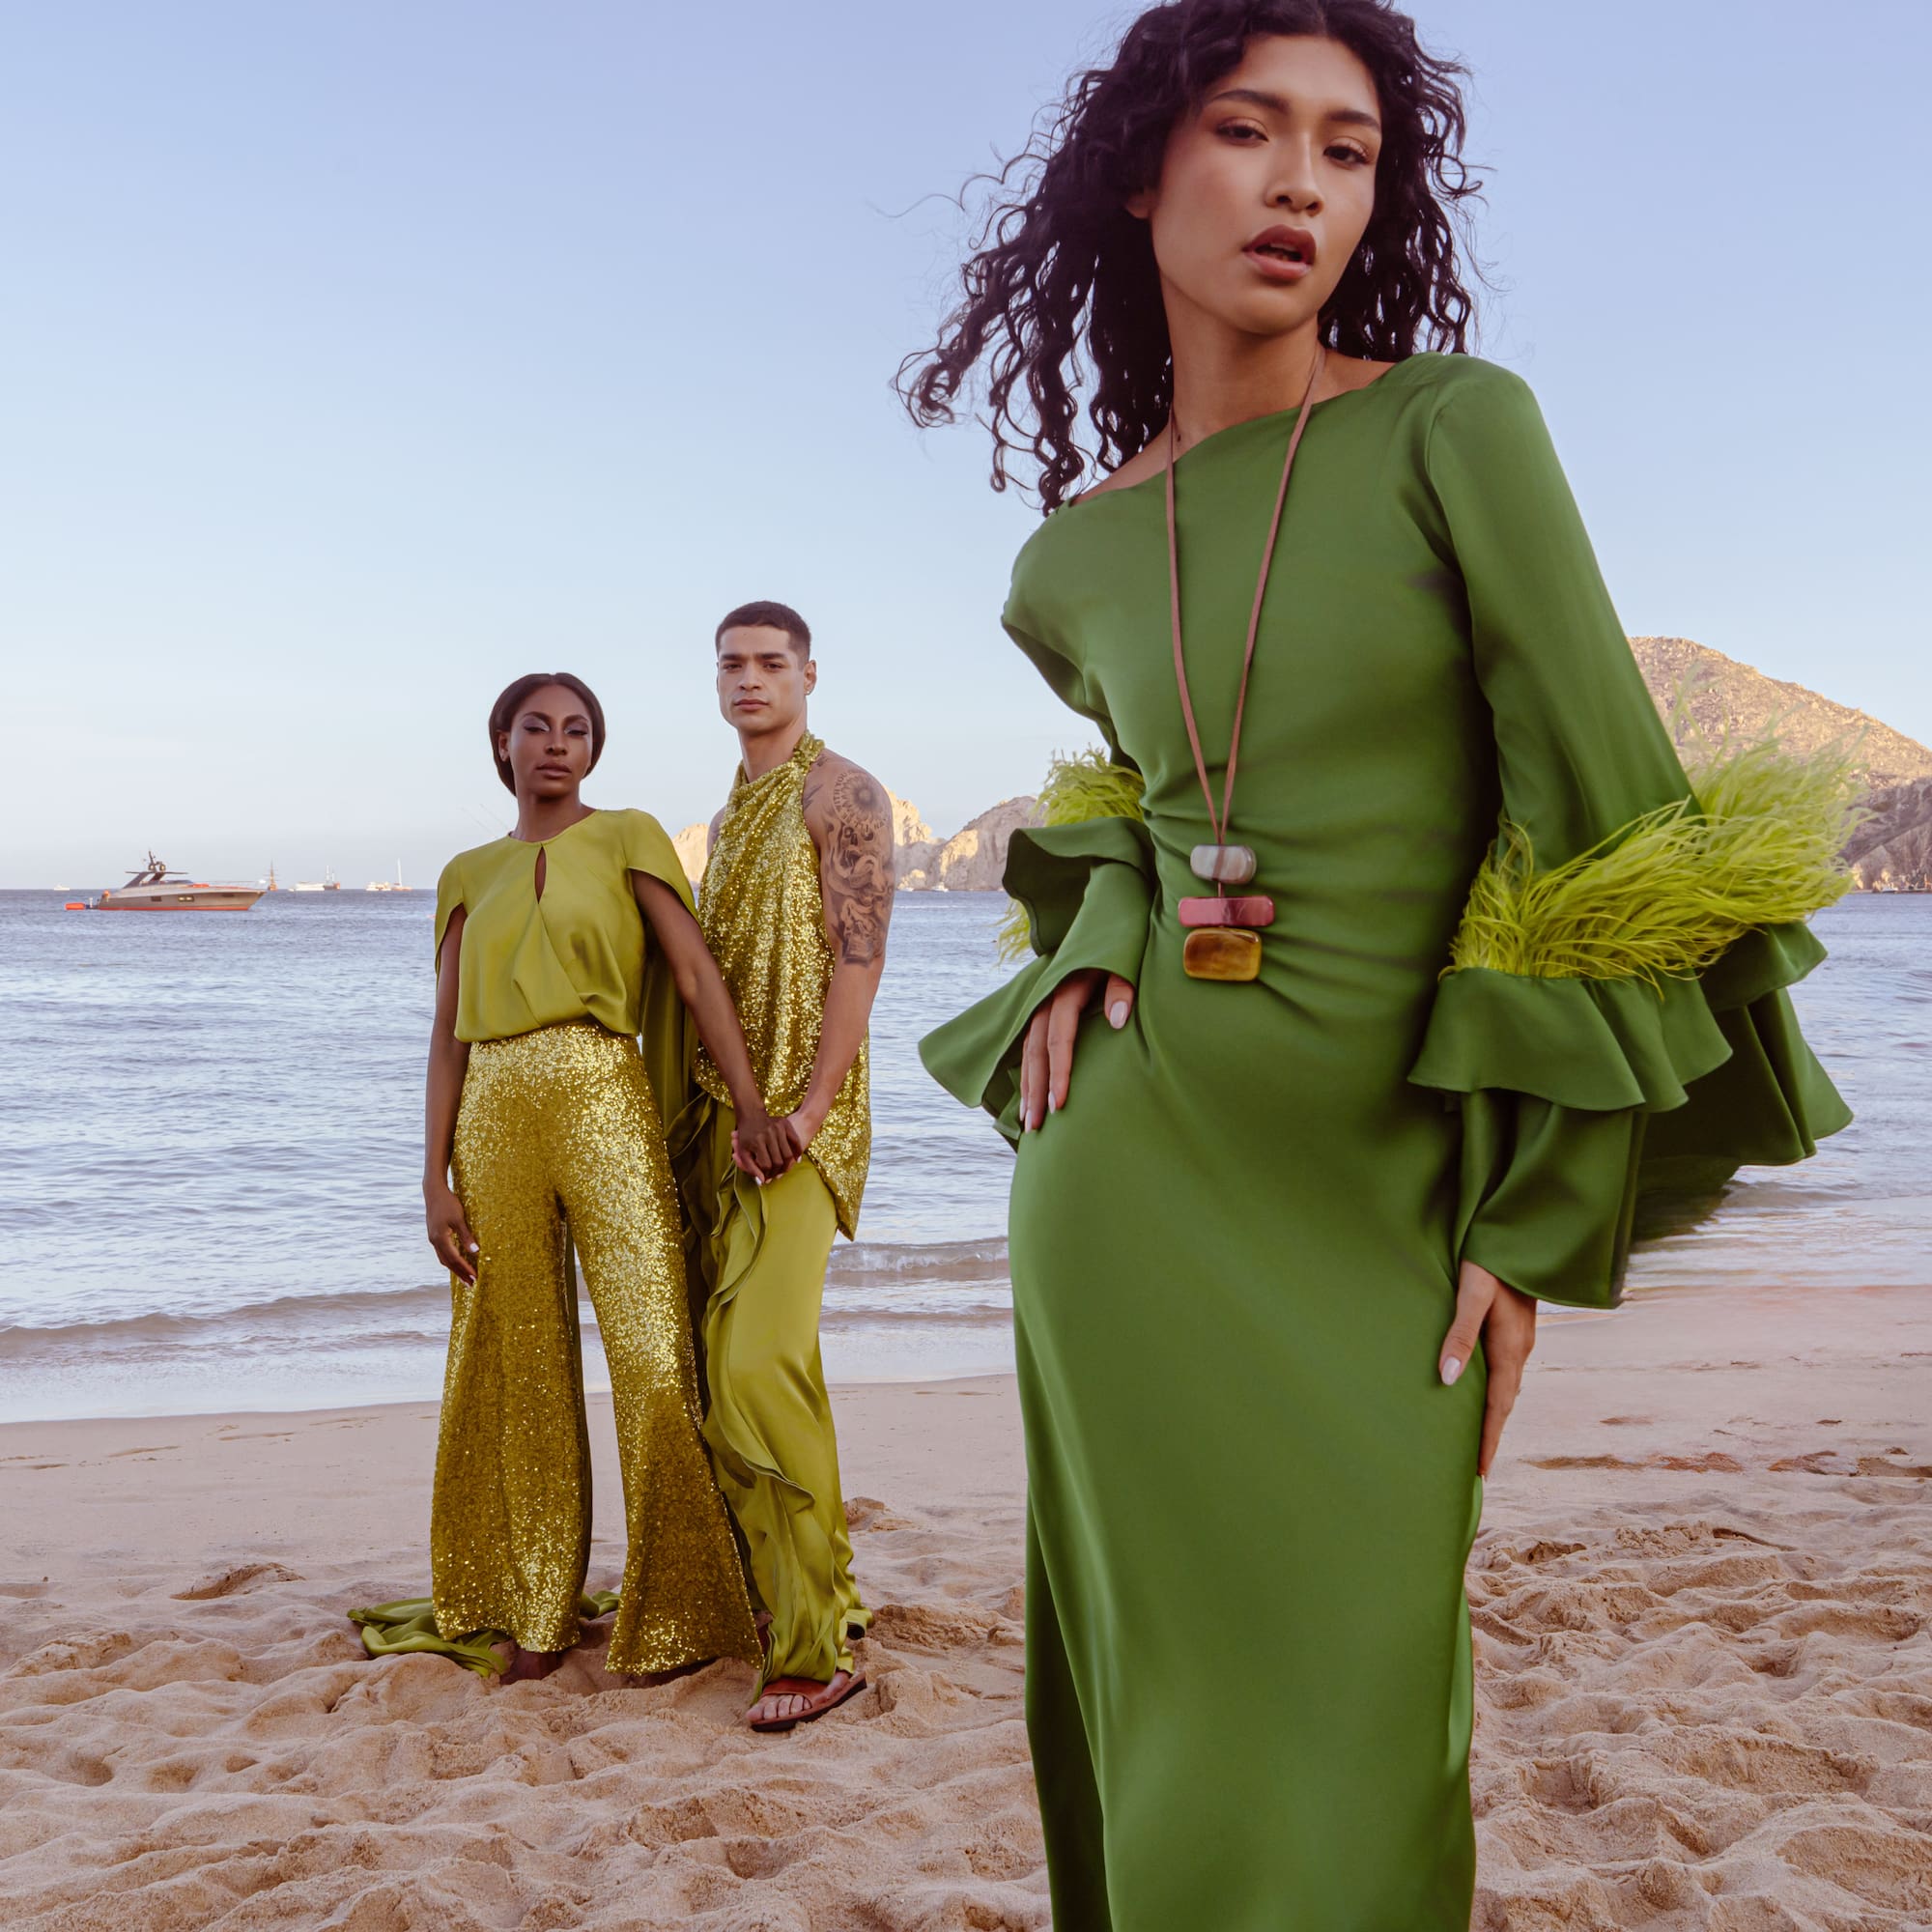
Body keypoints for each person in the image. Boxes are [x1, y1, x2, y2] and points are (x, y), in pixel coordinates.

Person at [902, 4, 1853, 1925]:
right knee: (1169, 1702)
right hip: (1133, 1185)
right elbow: (1142, 802)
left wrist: (1541, 1199)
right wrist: (1090, 925)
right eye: (1249, 131)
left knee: (1352, 1724)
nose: (1297, 184)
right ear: (1140, 171)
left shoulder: (1451, 428)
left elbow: (1609, 822)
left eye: (1345, 149)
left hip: (1390, 1192)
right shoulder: (1065, 565)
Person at [357, 673, 795, 1684]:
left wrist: (751, 1102)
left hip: (604, 1088)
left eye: (577, 729)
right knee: (521, 1367)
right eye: (535, 727)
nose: (556, 742)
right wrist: (432, 1178)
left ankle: (681, 1606)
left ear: (593, 751)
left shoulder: (627, 834)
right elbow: (443, 1037)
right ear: (501, 744)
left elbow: (691, 974)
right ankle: (537, 1611)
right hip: (492, 1115)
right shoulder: (466, 872)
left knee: (651, 1351)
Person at [686, 600, 894, 1732]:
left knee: (754, 1367)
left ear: (810, 672)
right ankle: (827, 1598)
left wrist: (811, 1108)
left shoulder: (840, 792)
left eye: (770, 662)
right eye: (731, 664)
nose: (749, 679)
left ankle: (818, 1647)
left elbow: (859, 958)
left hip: (804, 1127)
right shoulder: (727, 817)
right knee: (769, 1372)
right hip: (732, 1121)